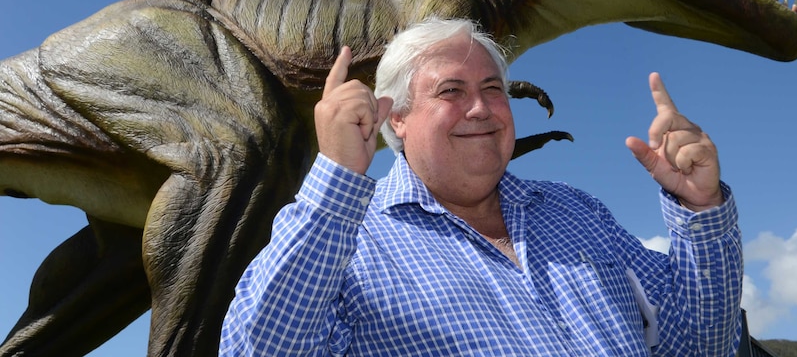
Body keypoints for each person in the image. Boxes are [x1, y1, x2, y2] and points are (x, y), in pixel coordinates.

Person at [219, 18, 743, 356]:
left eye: (493, 89)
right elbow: (261, 349)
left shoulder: (576, 210)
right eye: (451, 90)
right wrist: (336, 177)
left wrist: (701, 210)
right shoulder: (348, 240)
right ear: (395, 118)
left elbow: (699, 344)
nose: (481, 108)